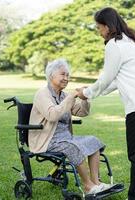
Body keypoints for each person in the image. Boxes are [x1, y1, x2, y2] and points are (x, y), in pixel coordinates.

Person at [76, 7, 135, 200]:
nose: (99, 32)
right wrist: (90, 94)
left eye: (99, 28)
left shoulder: (114, 45)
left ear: (108, 27)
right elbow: (117, 80)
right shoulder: (131, 42)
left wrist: (85, 93)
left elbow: (106, 78)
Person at [28, 59, 111, 195]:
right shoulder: (42, 94)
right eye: (63, 75)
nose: (66, 78)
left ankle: (96, 182)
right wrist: (71, 96)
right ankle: (88, 186)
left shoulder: (64, 95)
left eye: (68, 75)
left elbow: (82, 112)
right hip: (48, 140)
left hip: (65, 138)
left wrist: (85, 99)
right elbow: (52, 115)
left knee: (93, 141)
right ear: (51, 76)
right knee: (71, 147)